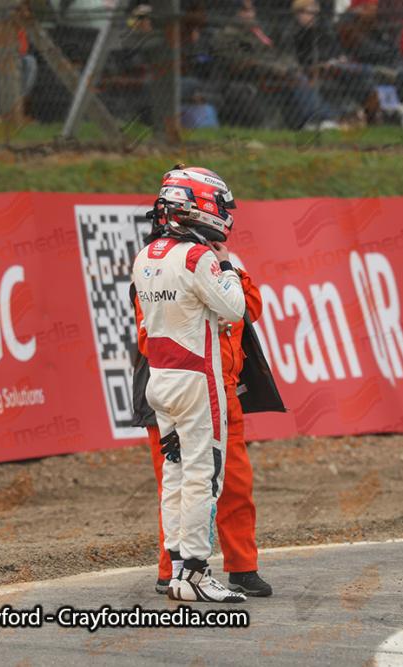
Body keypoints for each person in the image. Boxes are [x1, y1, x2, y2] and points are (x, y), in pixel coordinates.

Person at [131, 166, 248, 603]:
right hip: (198, 379)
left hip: (159, 379)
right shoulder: (199, 258)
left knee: (177, 475)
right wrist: (228, 266)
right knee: (204, 475)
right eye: (219, 205)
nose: (224, 215)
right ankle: (197, 572)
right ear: (197, 205)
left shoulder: (145, 256)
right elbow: (234, 308)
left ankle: (179, 569)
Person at [135, 242, 272, 598]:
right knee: (179, 483)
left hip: (221, 390)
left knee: (235, 485)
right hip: (179, 387)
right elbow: (148, 338)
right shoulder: (161, 272)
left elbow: (248, 306)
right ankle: (174, 570)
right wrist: (203, 319)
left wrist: (226, 270)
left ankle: (243, 569)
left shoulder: (218, 270)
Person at [212, 0, 339, 130]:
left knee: (297, 76)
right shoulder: (226, 35)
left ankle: (323, 118)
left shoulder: (257, 32)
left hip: (275, 73)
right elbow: (240, 61)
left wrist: (291, 65)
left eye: (251, 10)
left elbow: (278, 54)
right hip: (251, 76)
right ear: (235, 14)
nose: (251, 14)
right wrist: (276, 68)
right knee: (296, 78)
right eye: (246, 11)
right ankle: (317, 119)